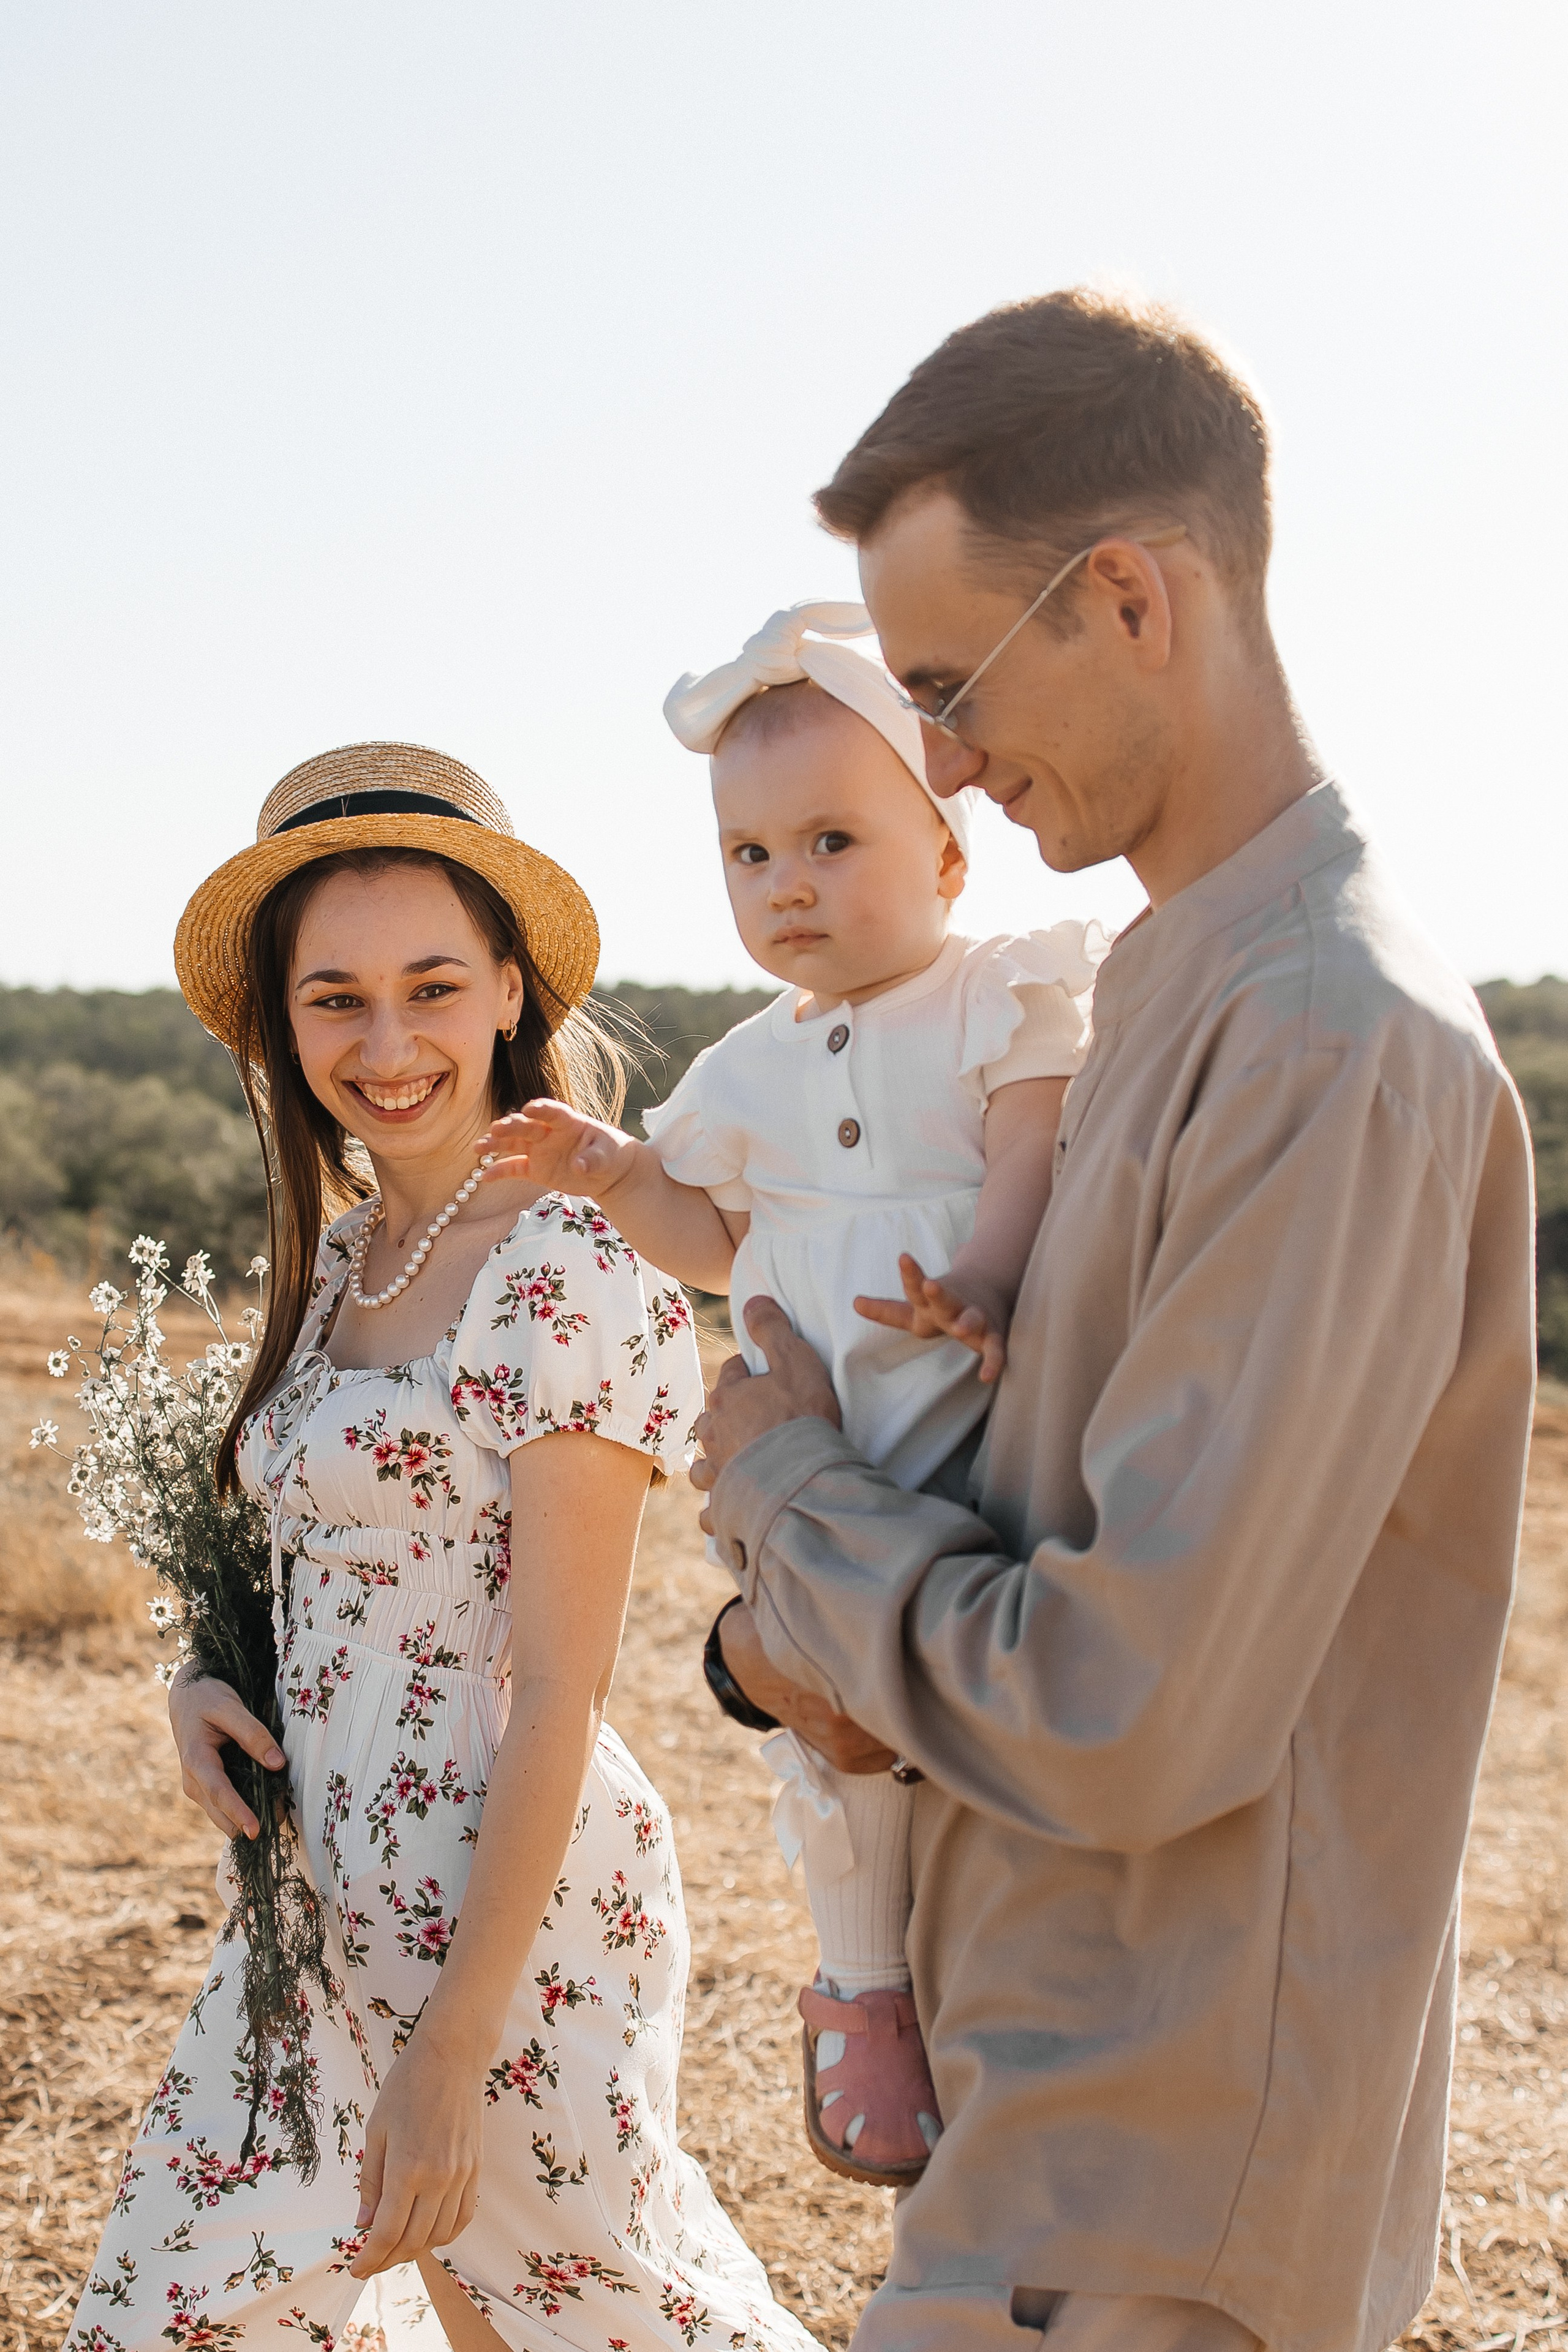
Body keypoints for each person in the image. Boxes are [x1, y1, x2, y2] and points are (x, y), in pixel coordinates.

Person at [688, 292, 1537, 2352]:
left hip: (1158, 2192)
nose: (947, 766)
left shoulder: (1325, 1041)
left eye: (956, 687)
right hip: (1049, 2130)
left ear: (1133, 598)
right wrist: (772, 1656)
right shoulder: (1167, 994)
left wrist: (787, 1493)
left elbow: (1125, 1704)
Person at [69, 742, 818, 2352]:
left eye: (429, 985)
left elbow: (558, 1688)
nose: (386, 1041)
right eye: (334, 998)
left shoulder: (564, 1261)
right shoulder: (349, 1256)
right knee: (190, 2305)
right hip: (312, 1892)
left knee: (597, 2317)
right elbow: (317, 1554)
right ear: (282, 1022)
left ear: (507, 994)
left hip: (509, 1922)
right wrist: (208, 1676)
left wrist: (453, 2045)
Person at [475, 605, 1104, 2188]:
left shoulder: (1000, 997)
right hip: (807, 1472)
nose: (789, 884)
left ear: (951, 856)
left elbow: (1029, 1161)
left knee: (955, 1707)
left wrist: (989, 1283)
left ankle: (976, 1987)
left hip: (961, 1433)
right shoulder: (751, 1066)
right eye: (749, 855)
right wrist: (611, 1171)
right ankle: (862, 1981)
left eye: (832, 838)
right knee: (826, 1744)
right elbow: (710, 1238)